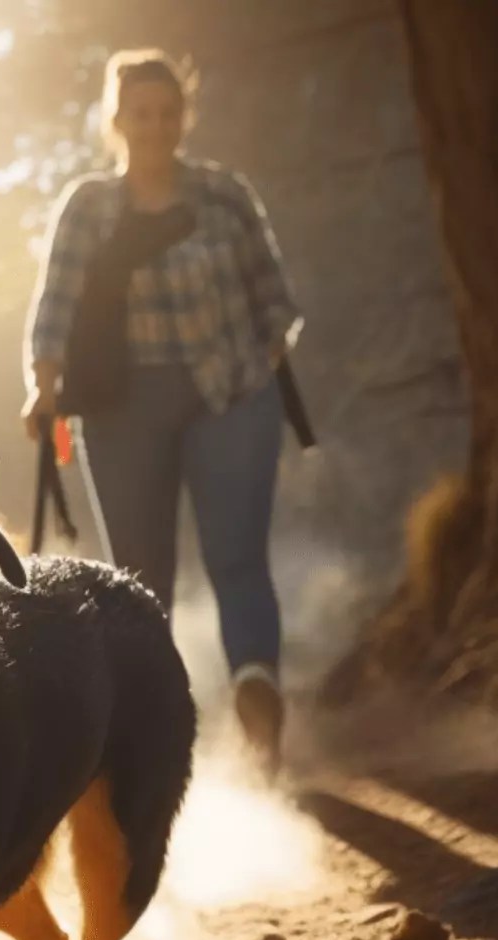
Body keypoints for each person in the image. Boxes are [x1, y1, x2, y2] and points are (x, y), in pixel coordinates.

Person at [22, 48, 302, 779]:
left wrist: (267, 358)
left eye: (167, 113)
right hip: (121, 408)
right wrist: (42, 386)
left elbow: (273, 295)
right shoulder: (87, 206)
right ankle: (154, 740)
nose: (153, 126)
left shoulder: (223, 195)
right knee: (138, 584)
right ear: (116, 122)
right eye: (139, 114)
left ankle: (256, 693)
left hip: (231, 394)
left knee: (237, 558)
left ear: (184, 118)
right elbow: (55, 305)